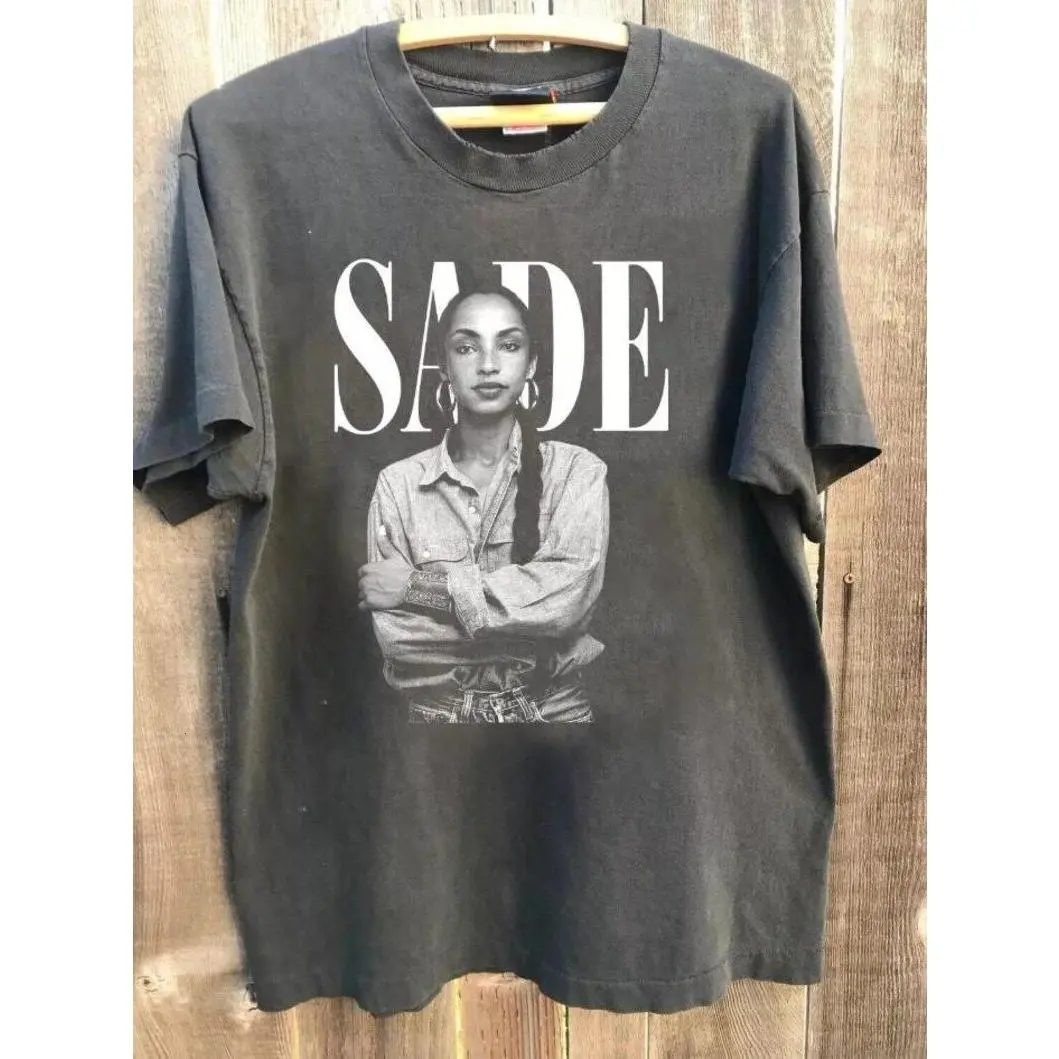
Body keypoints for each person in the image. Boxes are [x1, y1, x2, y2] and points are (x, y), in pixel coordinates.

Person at [357, 284, 610, 724]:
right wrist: (528, 621)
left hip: (556, 715)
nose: (488, 365)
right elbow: (399, 638)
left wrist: (416, 587)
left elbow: (567, 604)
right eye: (467, 347)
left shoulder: (576, 472)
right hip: (438, 722)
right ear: (443, 366)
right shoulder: (399, 485)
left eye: (508, 345)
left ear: (531, 363)